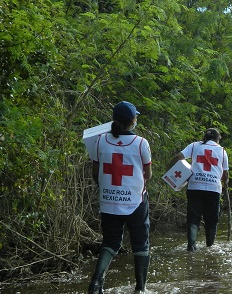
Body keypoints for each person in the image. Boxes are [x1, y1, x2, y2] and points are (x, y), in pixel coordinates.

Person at [88, 101, 152, 294]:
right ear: (133, 121)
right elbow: (147, 175)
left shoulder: (100, 140)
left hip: (108, 201)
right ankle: (140, 289)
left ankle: (96, 284)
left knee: (110, 242)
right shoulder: (141, 143)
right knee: (140, 242)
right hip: (135, 202)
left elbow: (96, 173)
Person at [169, 128, 229, 251]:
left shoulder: (194, 146)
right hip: (213, 189)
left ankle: (191, 247)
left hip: (195, 186)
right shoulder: (222, 151)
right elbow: (225, 174)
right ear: (217, 139)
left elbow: (178, 157)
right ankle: (210, 247)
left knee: (193, 217)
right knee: (212, 219)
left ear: (204, 137)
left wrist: (170, 169)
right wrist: (226, 183)